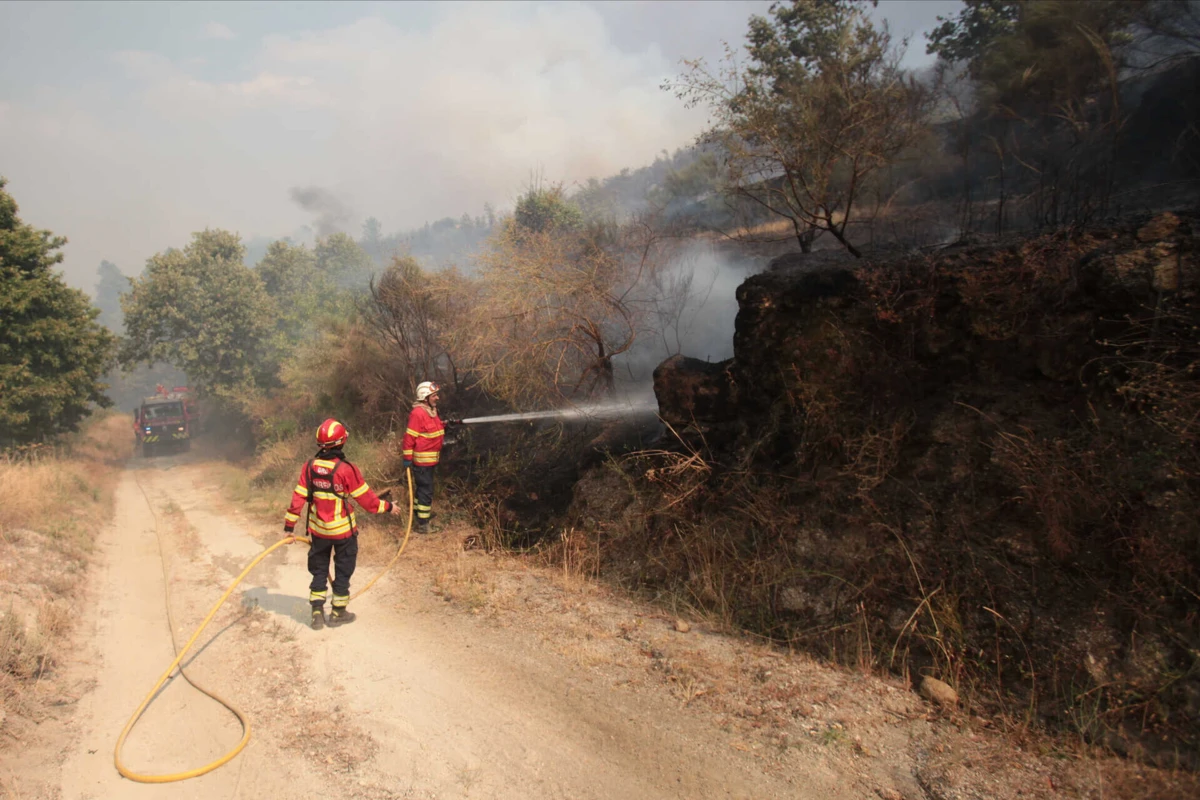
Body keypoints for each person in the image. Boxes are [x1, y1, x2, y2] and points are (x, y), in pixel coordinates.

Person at [284, 418, 402, 630]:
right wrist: (389, 507)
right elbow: (368, 502)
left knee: (319, 570)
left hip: (318, 532)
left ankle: (317, 613)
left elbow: (297, 498)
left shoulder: (309, 467)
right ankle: (338, 612)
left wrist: (289, 528)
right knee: (343, 570)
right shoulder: (347, 469)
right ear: (341, 442)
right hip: (343, 534)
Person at [402, 381, 445, 534]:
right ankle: (423, 525)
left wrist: (447, 424)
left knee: (423, 489)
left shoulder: (431, 410)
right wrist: (407, 457)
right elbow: (409, 437)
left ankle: (420, 516)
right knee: (426, 490)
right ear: (425, 397)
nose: (437, 398)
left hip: (431, 460)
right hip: (422, 462)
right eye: (434, 395)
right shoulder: (418, 413)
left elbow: (433, 430)